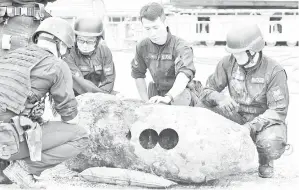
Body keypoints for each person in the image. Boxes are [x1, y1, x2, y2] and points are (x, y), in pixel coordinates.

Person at [0, 17, 89, 188]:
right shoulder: (56, 65)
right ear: (61, 44)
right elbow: (69, 117)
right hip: (5, 139)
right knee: (80, 136)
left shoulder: (9, 57)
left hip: (5, 133)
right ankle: (23, 168)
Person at [200, 23, 289, 178]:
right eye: (233, 53)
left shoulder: (274, 71)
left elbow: (278, 111)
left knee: (271, 142)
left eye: (239, 53)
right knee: (201, 108)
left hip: (262, 123)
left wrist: (249, 127)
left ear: (253, 51)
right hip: (236, 115)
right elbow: (206, 91)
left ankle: (265, 159)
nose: (235, 56)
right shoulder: (227, 63)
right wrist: (220, 98)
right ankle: (217, 155)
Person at [131, 2, 202, 106]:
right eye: (147, 29)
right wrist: (146, 101)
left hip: (180, 93)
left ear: (165, 23)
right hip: (158, 91)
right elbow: (138, 75)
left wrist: (168, 97)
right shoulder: (142, 46)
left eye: (155, 27)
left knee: (180, 99)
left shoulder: (181, 46)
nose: (152, 33)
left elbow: (184, 74)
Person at [64, 16, 116, 96]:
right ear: (75, 38)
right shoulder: (69, 53)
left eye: (90, 41)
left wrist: (103, 96)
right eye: (81, 40)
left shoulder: (105, 51)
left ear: (98, 40)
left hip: (101, 93)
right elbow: (79, 83)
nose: (85, 46)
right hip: (76, 95)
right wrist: (98, 95)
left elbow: (109, 80)